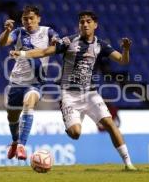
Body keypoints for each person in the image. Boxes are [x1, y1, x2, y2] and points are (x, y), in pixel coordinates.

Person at [10, 11, 137, 170]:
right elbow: (44, 52)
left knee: (110, 124)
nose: (84, 24)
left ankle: (128, 164)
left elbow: (123, 60)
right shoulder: (68, 41)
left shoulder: (101, 45)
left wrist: (125, 49)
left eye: (88, 21)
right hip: (69, 95)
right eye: (81, 22)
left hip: (90, 94)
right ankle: (69, 119)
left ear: (95, 25)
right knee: (75, 133)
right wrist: (22, 53)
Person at [0, 5, 59, 160]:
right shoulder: (18, 32)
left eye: (32, 18)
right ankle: (14, 141)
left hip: (36, 82)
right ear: (22, 20)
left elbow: (55, 45)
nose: (29, 21)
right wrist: (6, 31)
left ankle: (21, 146)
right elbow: (2, 43)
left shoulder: (48, 31)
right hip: (16, 82)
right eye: (25, 19)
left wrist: (55, 41)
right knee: (12, 117)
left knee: (29, 103)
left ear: (38, 18)